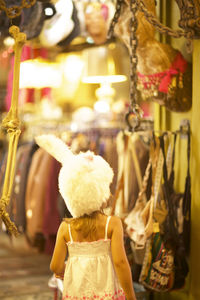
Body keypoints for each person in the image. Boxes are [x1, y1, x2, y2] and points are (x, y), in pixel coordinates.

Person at [35, 134, 136, 300]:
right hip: (107, 293)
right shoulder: (112, 224)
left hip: (77, 293)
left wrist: (67, 272)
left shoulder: (66, 227)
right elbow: (120, 263)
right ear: (100, 191)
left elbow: (56, 265)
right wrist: (131, 296)